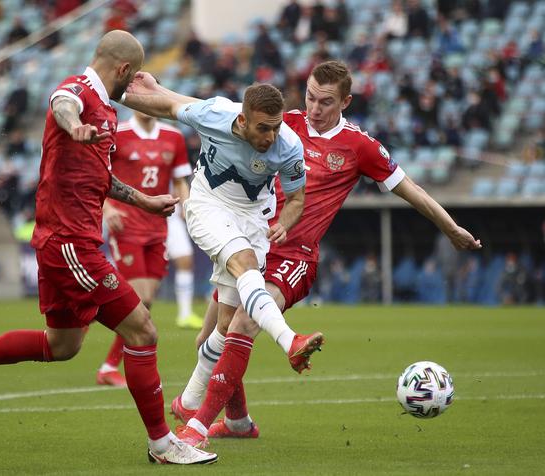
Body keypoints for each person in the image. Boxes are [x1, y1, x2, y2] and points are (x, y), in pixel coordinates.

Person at [0, 30, 217, 466]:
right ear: (123, 70)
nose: (131, 92)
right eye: (130, 81)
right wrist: (73, 124)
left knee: (62, 345)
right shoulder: (80, 91)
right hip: (71, 242)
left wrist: (144, 200)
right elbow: (61, 103)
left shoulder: (106, 111)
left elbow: (100, 179)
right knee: (143, 329)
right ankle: (163, 444)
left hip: (67, 241)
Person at [168, 60, 481, 447]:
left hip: (295, 257)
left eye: (326, 102)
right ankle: (237, 422)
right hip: (249, 242)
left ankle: (196, 428)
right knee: (207, 341)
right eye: (311, 97)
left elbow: (409, 188)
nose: (314, 108)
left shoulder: (359, 146)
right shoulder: (282, 125)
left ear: (345, 101)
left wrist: (450, 227)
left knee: (244, 324)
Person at [123, 74, 325, 383]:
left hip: (254, 217)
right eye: (263, 128)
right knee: (246, 266)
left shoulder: (288, 146)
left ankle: (188, 402)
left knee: (225, 327)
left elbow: (297, 198)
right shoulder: (215, 115)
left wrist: (284, 223)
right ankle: (290, 341)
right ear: (242, 120)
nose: (271, 136)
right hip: (207, 204)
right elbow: (169, 107)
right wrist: (109, 91)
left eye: (276, 127)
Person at [95, 110, 196, 387]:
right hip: (126, 225)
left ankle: (108, 364)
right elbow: (97, 175)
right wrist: (107, 207)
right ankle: (109, 365)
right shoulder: (119, 133)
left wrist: (186, 205)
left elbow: (179, 180)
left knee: (146, 301)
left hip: (158, 227)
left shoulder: (173, 136)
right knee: (138, 300)